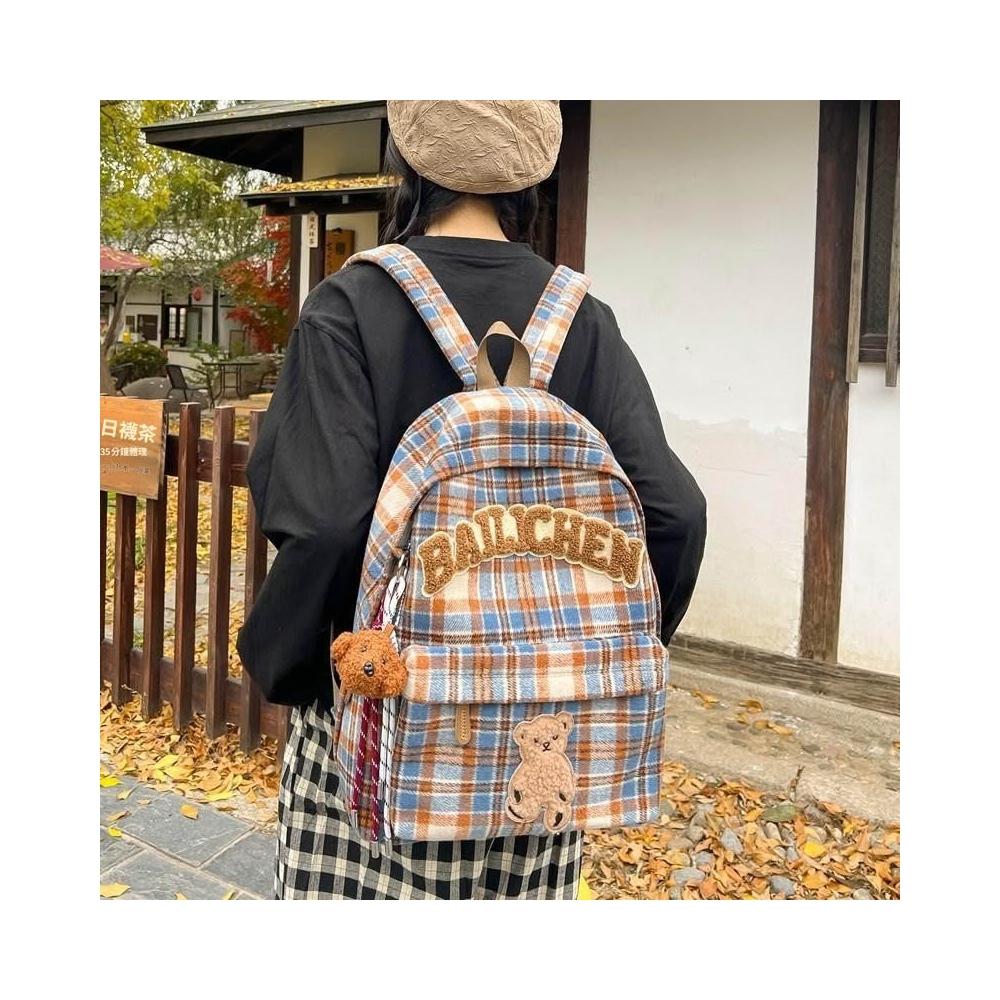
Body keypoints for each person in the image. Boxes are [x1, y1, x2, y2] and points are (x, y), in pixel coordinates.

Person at [237, 100, 707, 899]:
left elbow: (325, 527)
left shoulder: (350, 306)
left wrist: (287, 665)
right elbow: (673, 515)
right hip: (538, 733)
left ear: (405, 161)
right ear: (529, 177)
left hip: (384, 721)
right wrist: (594, 660)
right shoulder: (583, 320)